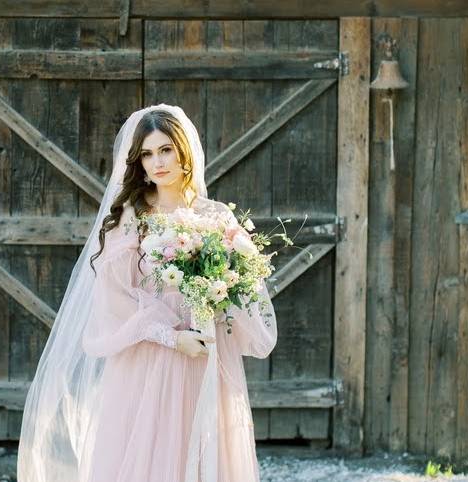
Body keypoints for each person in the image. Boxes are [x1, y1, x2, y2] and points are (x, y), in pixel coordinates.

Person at [17, 104, 278, 482]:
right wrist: (172, 338)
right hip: (150, 360)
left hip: (207, 354)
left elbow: (246, 287)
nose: (158, 162)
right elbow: (115, 297)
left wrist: (220, 304)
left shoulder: (217, 215)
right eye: (147, 154)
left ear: (184, 151)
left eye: (166, 149)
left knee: (206, 453)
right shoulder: (133, 218)